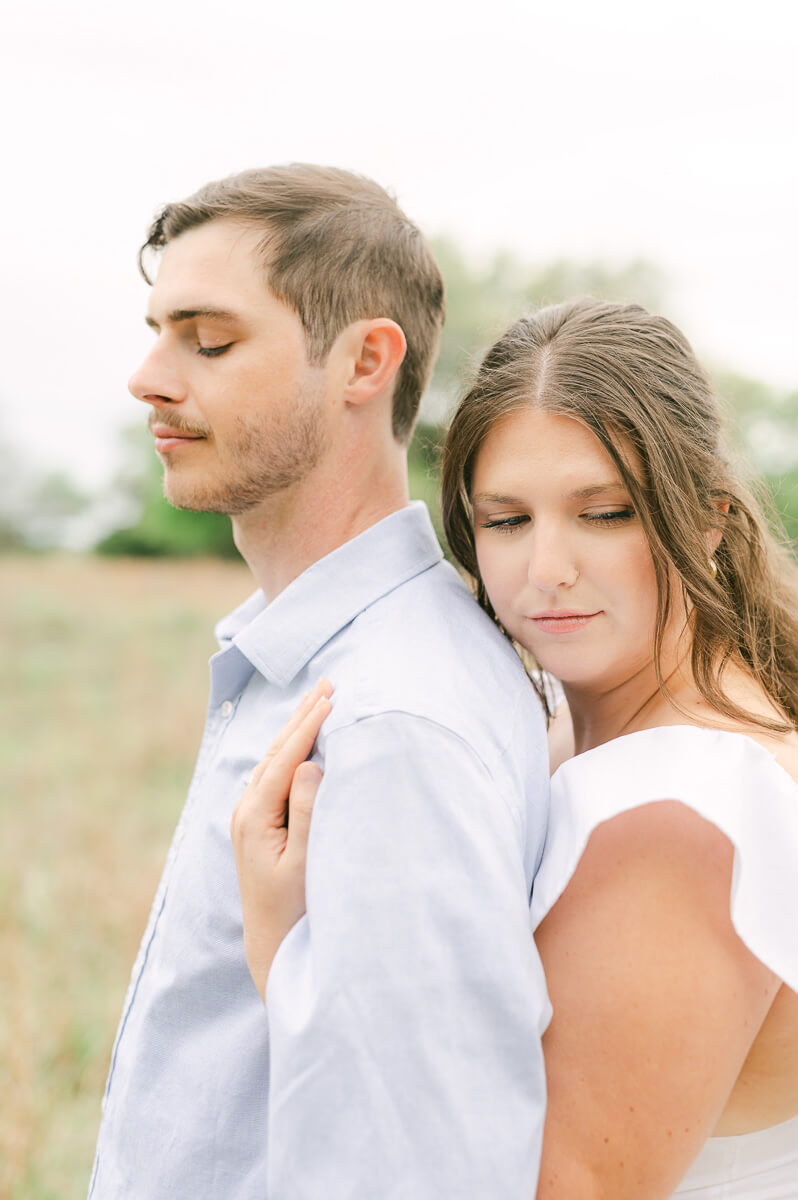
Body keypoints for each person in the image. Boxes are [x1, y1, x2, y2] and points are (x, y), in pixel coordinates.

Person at [251, 298, 798, 1197]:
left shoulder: (680, 812)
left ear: (707, 520)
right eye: (506, 521)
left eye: (606, 513)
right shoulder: (565, 733)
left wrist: (289, 955)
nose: (546, 568)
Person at [88, 165, 553, 1200]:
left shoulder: (390, 718)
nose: (149, 376)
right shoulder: (321, 663)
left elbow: (421, 1172)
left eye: (209, 340)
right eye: (159, 329)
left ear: (364, 361)